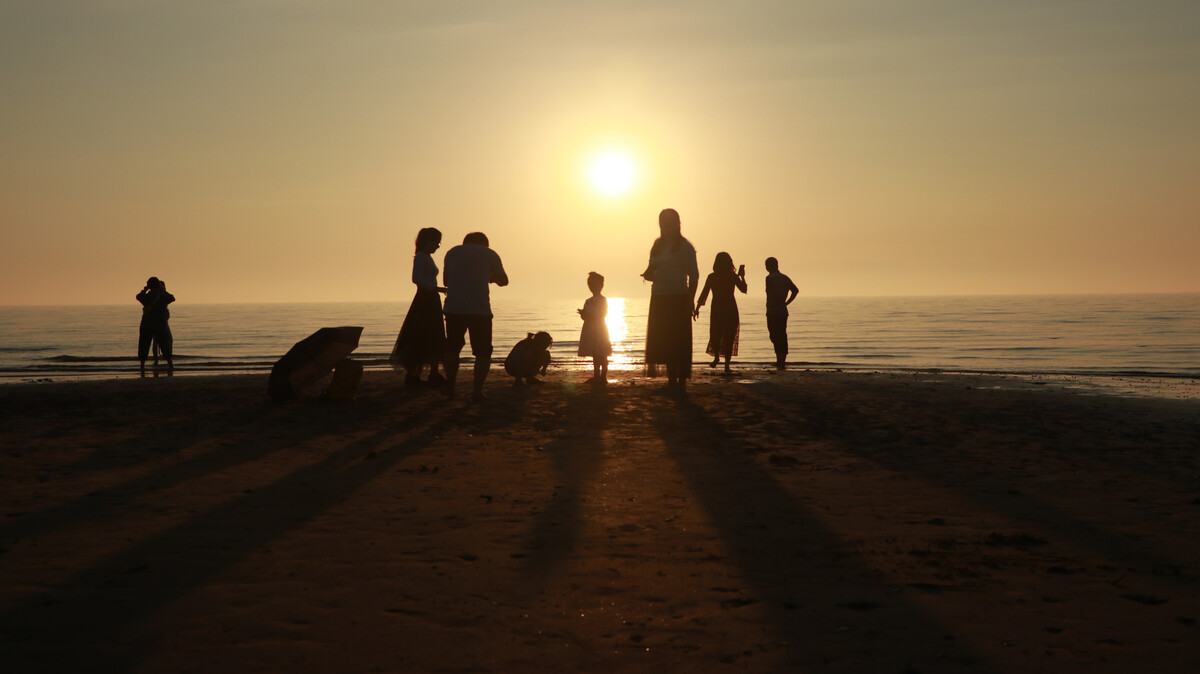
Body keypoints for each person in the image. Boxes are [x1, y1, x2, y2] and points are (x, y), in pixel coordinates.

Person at [442, 232, 508, 401]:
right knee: (483, 352)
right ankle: (476, 391)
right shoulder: (490, 254)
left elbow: (446, 281)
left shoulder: (452, 252)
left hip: (454, 307)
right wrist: (489, 276)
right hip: (479, 309)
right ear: (485, 243)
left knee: (452, 349)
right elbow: (504, 281)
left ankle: (450, 388)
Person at [641, 208, 699, 390]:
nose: (666, 225)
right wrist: (648, 274)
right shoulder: (657, 246)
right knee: (663, 338)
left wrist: (690, 300)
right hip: (659, 296)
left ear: (677, 224)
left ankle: (680, 380)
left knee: (678, 340)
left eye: (669, 221)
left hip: (678, 296)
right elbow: (650, 270)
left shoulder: (685, 247)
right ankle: (671, 378)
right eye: (663, 222)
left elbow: (695, 276)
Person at [391, 227, 447, 387]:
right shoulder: (421, 257)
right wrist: (436, 289)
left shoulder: (426, 257)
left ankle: (431, 373)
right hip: (425, 300)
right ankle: (417, 375)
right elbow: (416, 279)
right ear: (427, 241)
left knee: (433, 335)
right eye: (436, 242)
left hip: (430, 299)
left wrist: (437, 289)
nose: (438, 245)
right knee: (423, 335)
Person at [694, 252, 747, 374]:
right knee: (729, 337)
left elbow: (704, 294)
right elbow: (744, 290)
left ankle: (717, 357)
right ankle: (726, 366)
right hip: (730, 307)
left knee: (715, 334)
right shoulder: (732, 276)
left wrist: (697, 308)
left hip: (717, 308)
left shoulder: (712, 276)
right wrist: (742, 277)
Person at [764, 256, 800, 370]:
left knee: (774, 335)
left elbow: (770, 294)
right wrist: (786, 302)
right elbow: (795, 290)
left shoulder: (769, 278)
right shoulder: (784, 278)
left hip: (773, 310)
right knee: (782, 335)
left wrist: (773, 303)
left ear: (768, 266)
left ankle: (779, 360)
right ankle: (781, 360)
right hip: (783, 311)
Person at [577, 271, 612, 382]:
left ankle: (603, 376)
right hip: (590, 329)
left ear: (601, 285)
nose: (592, 287)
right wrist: (583, 315)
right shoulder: (588, 301)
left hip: (600, 329)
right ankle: (597, 375)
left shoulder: (602, 300)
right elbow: (585, 318)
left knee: (602, 353)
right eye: (590, 285)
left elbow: (602, 314)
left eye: (594, 284)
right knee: (595, 354)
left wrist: (589, 315)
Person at [136, 277, 175, 375]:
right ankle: (170, 365)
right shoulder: (162, 296)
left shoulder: (146, 297)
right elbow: (172, 298)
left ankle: (142, 366)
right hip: (160, 324)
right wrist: (163, 291)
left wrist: (144, 290)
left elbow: (138, 296)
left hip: (146, 324)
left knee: (144, 344)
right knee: (165, 344)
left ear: (149, 285)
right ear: (158, 285)